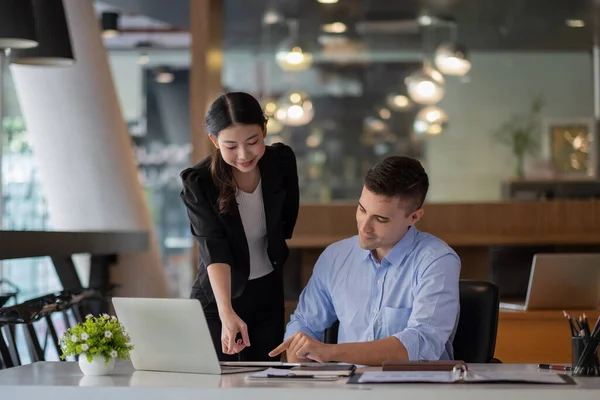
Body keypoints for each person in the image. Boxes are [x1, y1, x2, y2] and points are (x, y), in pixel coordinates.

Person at [270, 156, 460, 365]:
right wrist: (300, 363)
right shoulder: (336, 257)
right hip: (346, 390)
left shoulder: (437, 261)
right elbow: (304, 323)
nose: (364, 227)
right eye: (362, 209)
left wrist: (330, 352)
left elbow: (422, 344)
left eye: (381, 219)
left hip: (415, 390)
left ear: (413, 217)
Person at [180, 92, 299, 361]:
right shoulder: (199, 182)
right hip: (218, 300)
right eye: (231, 146)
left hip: (268, 294)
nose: (244, 155)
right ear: (214, 140)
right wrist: (226, 311)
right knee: (218, 385)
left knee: (264, 380)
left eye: (253, 141)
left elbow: (285, 223)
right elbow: (215, 248)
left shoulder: (281, 162)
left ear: (264, 129)